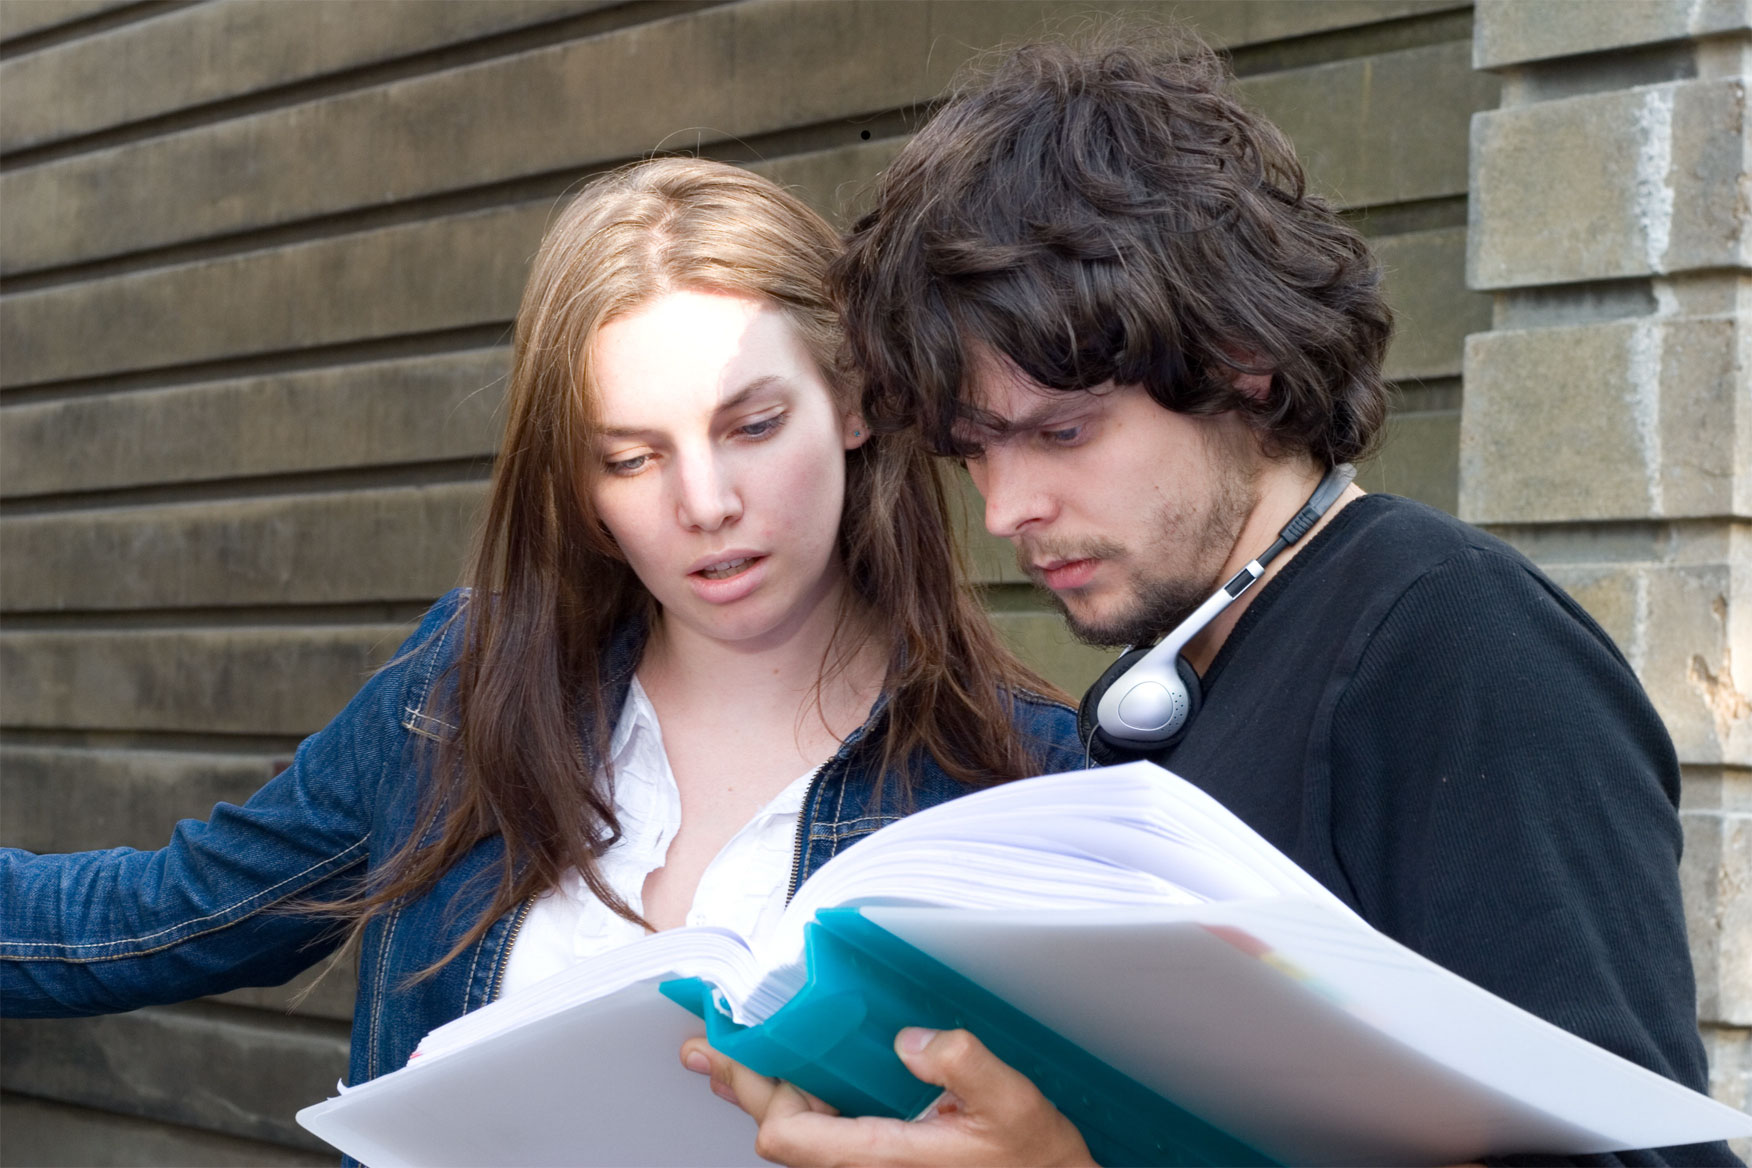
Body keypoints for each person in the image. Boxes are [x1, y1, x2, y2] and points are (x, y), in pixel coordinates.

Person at [682, 31, 1740, 1168]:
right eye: (974, 450)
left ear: (1242, 364)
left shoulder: (1455, 642)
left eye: (1062, 432)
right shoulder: (1158, 693)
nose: (1007, 509)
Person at [0, 159, 1083, 1107]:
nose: (705, 502)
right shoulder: (463, 693)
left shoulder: (1023, 775)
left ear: (853, 402)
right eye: (631, 457)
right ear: (578, 484)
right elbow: (147, 919)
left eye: (752, 426)